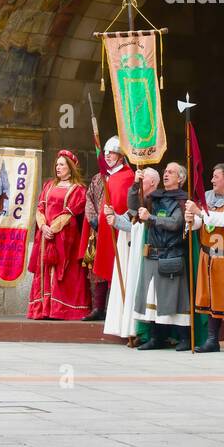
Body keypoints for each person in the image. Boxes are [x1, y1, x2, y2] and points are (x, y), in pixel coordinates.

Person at [187, 162, 224, 354]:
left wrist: (200, 213)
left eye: (216, 176)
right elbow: (199, 223)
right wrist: (191, 219)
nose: (212, 180)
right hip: (208, 256)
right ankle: (212, 339)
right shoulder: (207, 197)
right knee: (210, 297)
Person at [130, 163, 191, 350]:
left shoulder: (183, 200)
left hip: (171, 254)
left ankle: (184, 338)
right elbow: (134, 209)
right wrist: (135, 186)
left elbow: (175, 223)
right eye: (165, 171)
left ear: (180, 178)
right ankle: (157, 338)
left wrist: (152, 218)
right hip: (153, 255)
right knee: (154, 299)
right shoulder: (155, 197)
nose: (166, 174)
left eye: (171, 172)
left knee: (175, 299)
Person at [28, 150, 91, 320]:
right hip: (46, 235)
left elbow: (69, 212)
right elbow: (40, 208)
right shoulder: (48, 185)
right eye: (57, 164)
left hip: (65, 237)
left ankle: (61, 309)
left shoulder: (78, 190)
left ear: (70, 168)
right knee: (45, 270)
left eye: (62, 164)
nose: (58, 167)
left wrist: (52, 229)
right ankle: (44, 308)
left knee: (65, 272)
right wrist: (43, 227)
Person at [105, 167, 159, 343]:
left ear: (152, 182)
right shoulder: (140, 201)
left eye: (143, 180)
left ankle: (144, 332)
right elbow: (131, 218)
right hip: (134, 254)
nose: (141, 182)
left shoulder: (157, 201)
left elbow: (143, 228)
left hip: (150, 255)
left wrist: (120, 223)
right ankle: (132, 329)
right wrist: (114, 218)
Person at [86, 135, 134, 322]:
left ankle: (116, 308)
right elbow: (90, 198)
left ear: (121, 156)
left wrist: (117, 219)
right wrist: (93, 218)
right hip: (101, 228)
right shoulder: (102, 177)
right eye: (106, 153)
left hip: (120, 228)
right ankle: (98, 307)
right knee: (100, 265)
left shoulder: (127, 177)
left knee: (117, 266)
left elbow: (125, 203)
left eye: (112, 153)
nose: (108, 156)